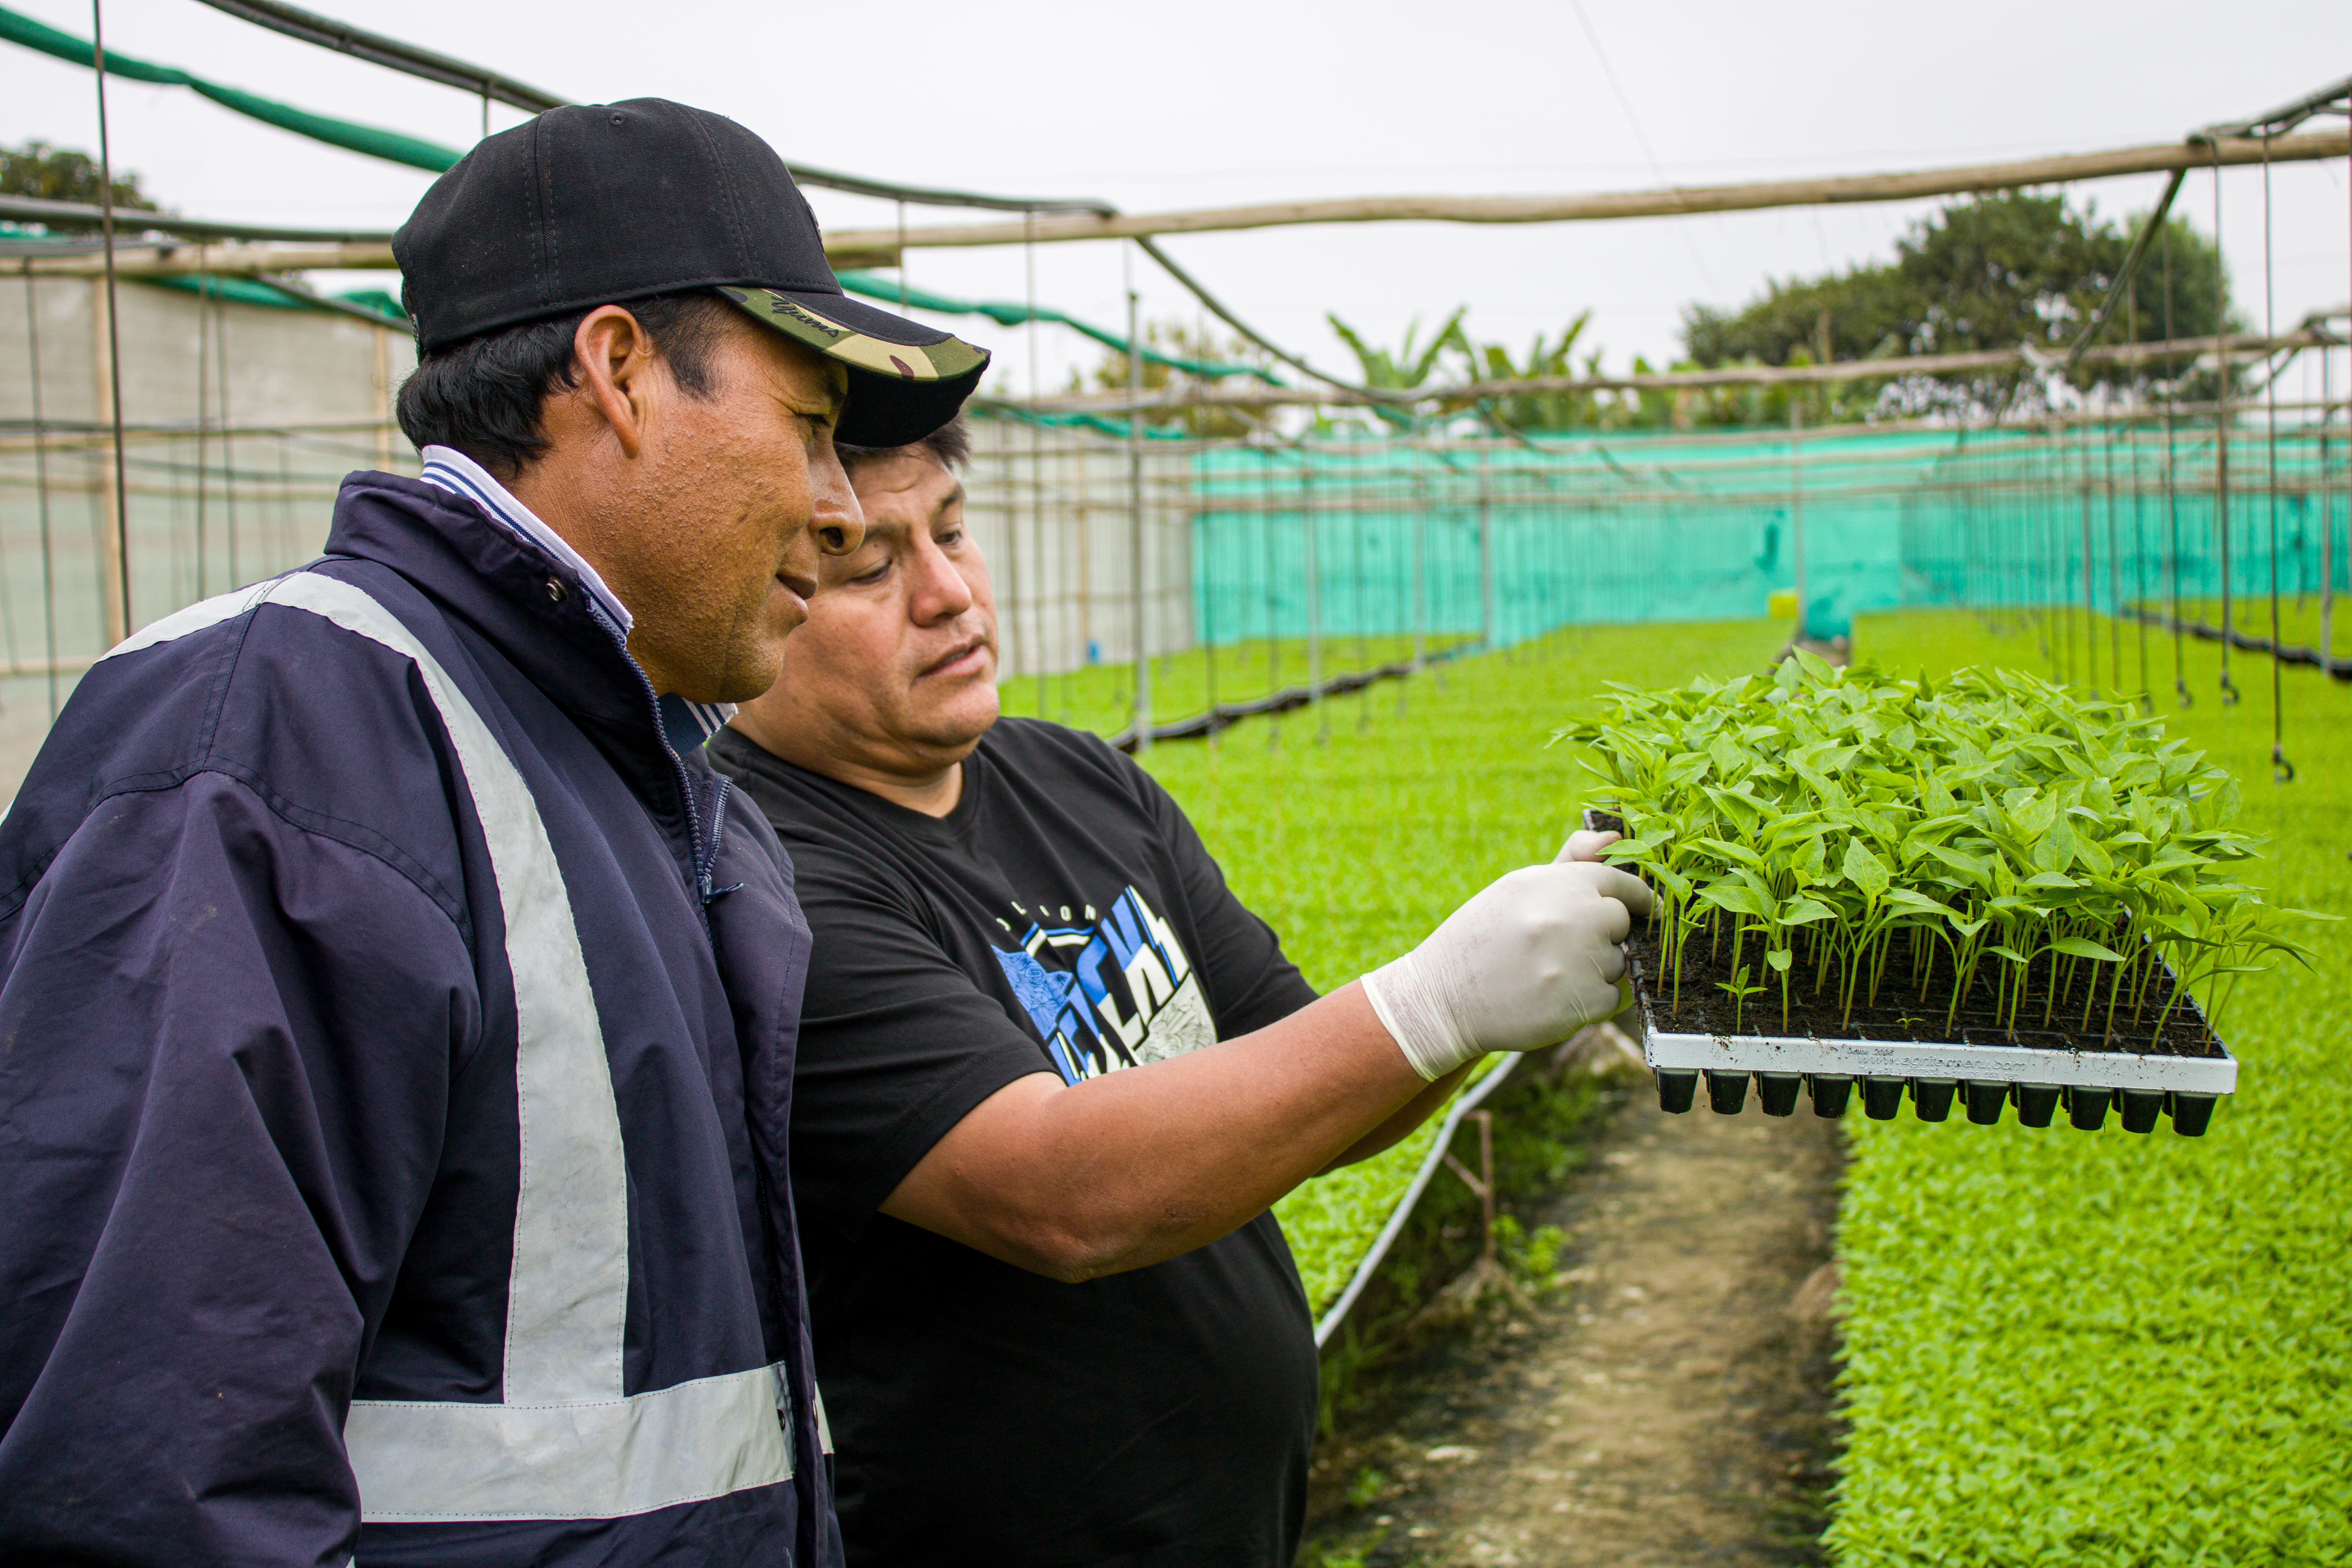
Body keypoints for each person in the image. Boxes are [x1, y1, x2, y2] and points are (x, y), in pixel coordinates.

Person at [0, 100, 988, 1568]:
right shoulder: (280, 743)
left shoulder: (635, 759)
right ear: (620, 371)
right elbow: (146, 1476)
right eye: (813, 430)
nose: (839, 509)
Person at [709, 418, 1649, 1566]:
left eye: (955, 532)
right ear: (770, 593)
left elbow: (1308, 1070)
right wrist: (1436, 1002)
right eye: (872, 568)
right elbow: (1056, 1195)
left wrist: (1505, 991)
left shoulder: (1078, 779)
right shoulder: (768, 884)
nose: (951, 593)